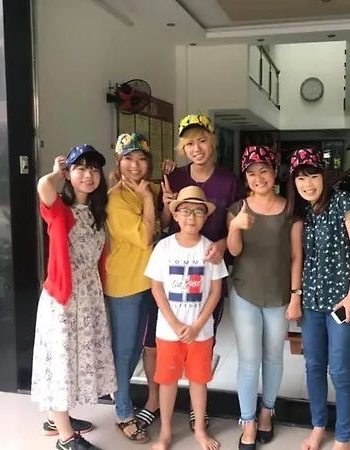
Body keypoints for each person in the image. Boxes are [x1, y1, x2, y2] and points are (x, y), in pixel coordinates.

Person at [159, 113, 244, 429]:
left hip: (211, 267)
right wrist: (165, 205)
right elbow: (165, 224)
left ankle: (198, 406)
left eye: (202, 141)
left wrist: (222, 244)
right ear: (182, 149)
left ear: (213, 142)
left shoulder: (230, 182)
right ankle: (168, 408)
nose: (197, 149)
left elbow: (237, 227)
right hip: (177, 270)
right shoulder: (174, 178)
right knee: (172, 337)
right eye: (189, 144)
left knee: (204, 337)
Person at [286, 147, 350, 450]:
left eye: (312, 176)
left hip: (341, 302)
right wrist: (296, 297)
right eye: (300, 178)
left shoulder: (342, 201)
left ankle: (344, 437)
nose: (307, 184)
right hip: (312, 302)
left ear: (323, 176)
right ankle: (318, 427)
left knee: (339, 370)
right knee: (313, 366)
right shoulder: (305, 214)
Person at [31, 146, 116, 450]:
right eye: (80, 168)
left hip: (88, 295)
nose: (88, 175)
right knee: (62, 362)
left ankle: (56, 419)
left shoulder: (95, 212)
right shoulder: (59, 209)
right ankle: (66, 439)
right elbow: (43, 185)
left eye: (93, 169)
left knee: (75, 359)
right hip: (64, 300)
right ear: (69, 173)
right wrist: (57, 173)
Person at [227, 146, 303, 450]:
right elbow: (234, 251)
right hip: (245, 292)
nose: (258, 177)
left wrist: (295, 296)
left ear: (274, 173)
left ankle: (267, 411)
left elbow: (296, 257)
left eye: (264, 171)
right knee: (249, 360)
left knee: (273, 357)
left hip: (279, 294)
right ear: (245, 177)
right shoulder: (237, 209)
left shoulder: (290, 211)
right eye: (251, 172)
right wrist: (235, 226)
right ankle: (247, 421)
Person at [145, 185, 228, 450]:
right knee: (167, 381)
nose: (191, 217)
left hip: (200, 332)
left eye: (198, 212)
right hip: (168, 331)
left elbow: (216, 291)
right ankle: (165, 433)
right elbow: (156, 287)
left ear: (206, 217)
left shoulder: (210, 250)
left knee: (199, 380)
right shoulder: (164, 247)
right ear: (176, 215)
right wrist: (175, 324)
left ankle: (200, 430)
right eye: (186, 211)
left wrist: (198, 325)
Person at [105, 132, 175, 442]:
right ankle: (123, 412)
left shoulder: (151, 188)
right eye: (128, 158)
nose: (135, 165)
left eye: (141, 158)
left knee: (142, 347)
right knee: (125, 351)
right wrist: (149, 198)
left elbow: (161, 224)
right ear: (118, 162)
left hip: (150, 281)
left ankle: (128, 399)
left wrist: (165, 202)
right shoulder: (115, 198)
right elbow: (147, 237)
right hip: (125, 283)